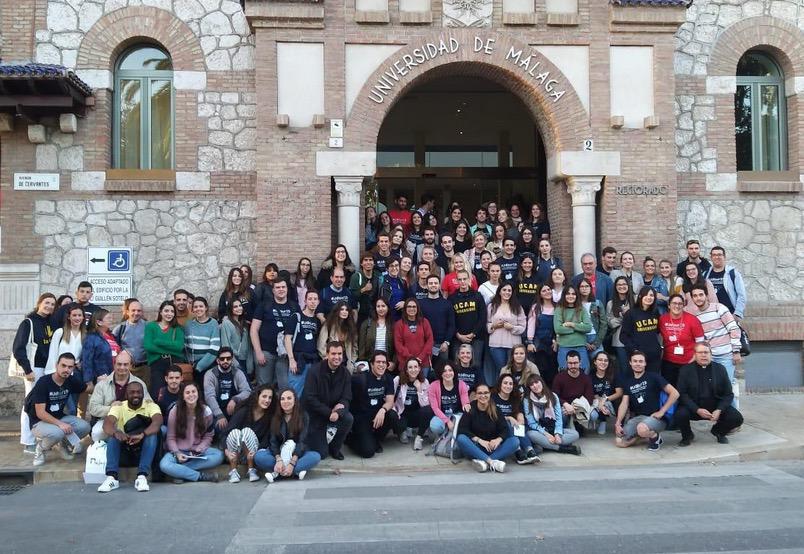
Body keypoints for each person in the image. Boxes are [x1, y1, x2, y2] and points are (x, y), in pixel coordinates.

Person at [97, 381, 162, 493]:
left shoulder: (151, 406)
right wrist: (117, 433)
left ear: (143, 394)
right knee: (113, 435)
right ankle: (112, 478)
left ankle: (141, 477)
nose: (136, 395)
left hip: (143, 450)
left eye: (138, 392)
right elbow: (107, 424)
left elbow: (157, 422)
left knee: (152, 435)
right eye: (132, 392)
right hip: (125, 448)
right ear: (126, 395)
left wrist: (142, 435)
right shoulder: (119, 407)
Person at [25, 353, 89, 466]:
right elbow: (40, 413)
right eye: (63, 365)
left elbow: (88, 388)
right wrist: (60, 424)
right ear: (56, 365)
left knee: (85, 427)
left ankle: (63, 445)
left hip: (59, 417)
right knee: (57, 432)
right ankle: (41, 448)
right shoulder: (43, 382)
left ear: (73, 368)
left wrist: (106, 382)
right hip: (38, 422)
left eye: (70, 367)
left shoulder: (71, 380)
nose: (66, 370)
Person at [675, 343, 744, 446]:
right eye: (700, 352)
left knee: (737, 418)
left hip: (715, 407)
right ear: (695, 355)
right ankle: (687, 435)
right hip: (694, 407)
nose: (703, 355)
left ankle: (718, 431)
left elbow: (728, 394)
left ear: (711, 354)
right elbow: (682, 394)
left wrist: (719, 409)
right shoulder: (685, 370)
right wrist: (697, 409)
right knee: (680, 414)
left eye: (706, 352)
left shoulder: (720, 369)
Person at [614, 351, 679, 451]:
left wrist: (662, 412)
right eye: (635, 361)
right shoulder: (628, 382)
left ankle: (654, 437)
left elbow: (675, 393)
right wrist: (618, 423)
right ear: (630, 363)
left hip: (657, 418)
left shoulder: (654, 377)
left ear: (645, 363)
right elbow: (624, 403)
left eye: (641, 361)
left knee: (642, 429)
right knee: (619, 440)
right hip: (639, 417)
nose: (638, 364)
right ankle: (645, 437)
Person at [159, 382, 224, 483]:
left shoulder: (206, 411)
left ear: (198, 394)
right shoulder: (175, 411)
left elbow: (209, 435)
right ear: (183, 396)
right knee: (164, 465)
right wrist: (177, 453)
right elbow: (170, 437)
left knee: (219, 455)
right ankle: (200, 476)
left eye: (193, 392)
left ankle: (180, 472)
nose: (191, 395)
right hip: (179, 450)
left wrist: (201, 448)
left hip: (196, 451)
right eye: (187, 393)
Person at [257, 388, 322, 482]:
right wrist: (278, 460)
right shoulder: (275, 417)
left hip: (297, 454)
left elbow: (302, 441)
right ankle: (294, 472)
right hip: (279, 454)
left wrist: (292, 463)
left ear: (295, 400)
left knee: (315, 456)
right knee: (259, 457)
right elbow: (273, 441)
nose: (285, 401)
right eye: (282, 399)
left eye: (289, 398)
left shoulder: (303, 416)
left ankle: (280, 472)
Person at [303, 342, 353, 460]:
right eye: (333, 354)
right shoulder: (314, 371)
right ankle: (320, 443)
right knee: (322, 454)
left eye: (340, 354)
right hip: (315, 415)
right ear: (327, 355)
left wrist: (339, 411)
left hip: (334, 412)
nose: (337, 357)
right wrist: (329, 412)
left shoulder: (345, 373)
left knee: (348, 418)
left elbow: (347, 397)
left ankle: (335, 448)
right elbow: (310, 398)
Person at [88, 350, 151, 441]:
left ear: (131, 365)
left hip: (132, 421)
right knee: (96, 432)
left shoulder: (139, 383)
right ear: (114, 364)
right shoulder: (102, 384)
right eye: (119, 364)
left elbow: (149, 404)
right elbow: (93, 408)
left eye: (125, 364)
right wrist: (110, 408)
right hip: (109, 420)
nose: (122, 367)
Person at [346, 351, 399, 458]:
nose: (381, 365)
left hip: (377, 416)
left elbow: (390, 401)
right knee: (368, 452)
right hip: (361, 418)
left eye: (384, 362)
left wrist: (382, 410)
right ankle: (349, 439)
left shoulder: (388, 378)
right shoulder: (360, 379)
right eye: (378, 362)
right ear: (372, 364)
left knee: (392, 415)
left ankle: (376, 439)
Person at [687, 284, 742, 386]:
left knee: (727, 386)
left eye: (701, 295)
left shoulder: (719, 308)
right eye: (695, 296)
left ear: (706, 296)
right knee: (711, 387)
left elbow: (733, 329)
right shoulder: (694, 315)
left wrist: (736, 351)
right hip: (709, 357)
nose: (698, 298)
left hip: (726, 356)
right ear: (692, 298)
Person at [456, 384, 520, 473]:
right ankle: (491, 462)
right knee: (461, 438)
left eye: (486, 393)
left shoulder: (496, 409)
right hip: (476, 448)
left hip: (493, 447)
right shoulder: (470, 408)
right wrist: (479, 440)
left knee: (515, 441)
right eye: (480, 393)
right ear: (476, 395)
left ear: (490, 394)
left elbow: (505, 429)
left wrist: (498, 440)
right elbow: (462, 429)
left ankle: (484, 462)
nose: (483, 396)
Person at [251, 279, 299, 388]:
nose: (281, 289)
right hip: (266, 352)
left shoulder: (294, 307)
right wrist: (258, 352)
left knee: (284, 386)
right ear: (273, 290)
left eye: (283, 287)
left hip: (285, 354)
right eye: (278, 287)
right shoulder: (264, 305)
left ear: (287, 289)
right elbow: (254, 330)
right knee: (264, 387)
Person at [224, 385, 274, 483]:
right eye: (264, 396)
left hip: (254, 452)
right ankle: (233, 470)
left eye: (270, 397)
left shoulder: (270, 415)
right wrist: (226, 451)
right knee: (237, 432)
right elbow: (225, 433)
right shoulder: (244, 411)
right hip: (235, 452)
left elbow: (267, 438)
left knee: (246, 431)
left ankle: (251, 470)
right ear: (257, 397)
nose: (267, 400)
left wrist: (257, 451)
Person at [522, 374, 581, 455]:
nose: (535, 386)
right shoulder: (527, 400)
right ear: (530, 388)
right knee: (530, 434)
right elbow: (531, 423)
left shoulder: (553, 396)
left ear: (541, 382)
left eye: (536, 382)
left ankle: (544, 445)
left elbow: (558, 418)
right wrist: (546, 434)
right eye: (531, 385)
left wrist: (557, 434)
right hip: (540, 431)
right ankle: (561, 448)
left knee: (575, 434)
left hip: (552, 428)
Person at [658, 294, 705, 387]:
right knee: (670, 391)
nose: (677, 306)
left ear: (683, 305)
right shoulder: (662, 319)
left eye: (680, 303)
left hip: (688, 362)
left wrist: (694, 359)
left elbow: (700, 342)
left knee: (686, 390)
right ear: (668, 305)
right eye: (674, 303)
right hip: (668, 362)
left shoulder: (692, 319)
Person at [493, 374, 541, 464]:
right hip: (497, 427)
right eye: (505, 383)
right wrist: (509, 418)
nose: (508, 386)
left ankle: (529, 451)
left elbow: (519, 412)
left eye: (510, 384)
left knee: (517, 426)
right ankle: (518, 451)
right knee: (508, 424)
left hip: (513, 427)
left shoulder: (515, 398)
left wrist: (520, 420)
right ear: (500, 384)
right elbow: (491, 416)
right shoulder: (493, 397)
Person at [81, 309, 121, 416]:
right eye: (108, 318)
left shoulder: (110, 335)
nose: (111, 320)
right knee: (100, 407)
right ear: (99, 322)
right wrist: (88, 381)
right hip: (100, 377)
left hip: (112, 376)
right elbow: (87, 360)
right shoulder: (92, 338)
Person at [204, 347, 252, 435]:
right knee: (218, 428)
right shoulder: (210, 374)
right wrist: (219, 415)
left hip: (234, 410)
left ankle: (229, 434)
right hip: (217, 411)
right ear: (217, 360)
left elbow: (247, 391)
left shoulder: (238, 372)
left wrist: (235, 399)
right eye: (222, 359)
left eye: (228, 358)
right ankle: (228, 434)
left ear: (232, 359)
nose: (225, 361)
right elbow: (209, 397)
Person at [143, 300, 186, 398]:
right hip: (157, 363)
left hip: (174, 363)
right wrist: (171, 349)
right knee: (157, 392)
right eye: (166, 311)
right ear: (160, 312)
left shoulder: (177, 328)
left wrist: (159, 342)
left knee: (175, 391)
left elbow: (179, 347)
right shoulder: (151, 326)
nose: (169, 314)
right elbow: (148, 346)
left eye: (172, 311)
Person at [285, 290, 322, 397]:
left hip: (313, 361)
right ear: (305, 301)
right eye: (310, 299)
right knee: (295, 393)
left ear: (318, 302)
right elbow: (287, 338)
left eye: (315, 299)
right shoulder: (296, 317)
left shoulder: (317, 321)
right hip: (298, 360)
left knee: (311, 394)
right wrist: (291, 359)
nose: (312, 302)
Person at [486, 282, 526, 377]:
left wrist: (512, 327)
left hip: (513, 345)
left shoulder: (517, 307)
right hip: (496, 344)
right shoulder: (491, 306)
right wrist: (494, 326)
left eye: (509, 290)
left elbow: (523, 327)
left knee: (512, 370)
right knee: (501, 370)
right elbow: (486, 324)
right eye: (504, 290)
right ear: (499, 292)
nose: (507, 292)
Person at [393, 358, 433, 451]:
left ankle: (419, 437)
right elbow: (390, 398)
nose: (413, 370)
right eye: (410, 367)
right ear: (406, 369)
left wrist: (419, 389)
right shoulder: (398, 380)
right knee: (392, 416)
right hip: (402, 413)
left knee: (428, 410)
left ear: (419, 369)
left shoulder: (425, 381)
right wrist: (396, 412)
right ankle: (402, 431)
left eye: (416, 367)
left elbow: (426, 404)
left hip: (416, 413)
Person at [620, 286, 662, 374]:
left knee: (653, 382)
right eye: (646, 295)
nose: (649, 297)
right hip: (638, 356)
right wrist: (634, 350)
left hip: (654, 356)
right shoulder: (631, 313)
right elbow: (623, 336)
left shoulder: (655, 312)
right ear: (640, 296)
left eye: (651, 295)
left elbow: (658, 331)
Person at [551, 351, 594, 433]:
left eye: (575, 363)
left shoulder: (586, 378)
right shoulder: (559, 377)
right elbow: (554, 396)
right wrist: (565, 404)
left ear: (580, 363)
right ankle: (562, 432)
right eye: (570, 363)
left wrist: (574, 407)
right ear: (566, 363)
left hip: (580, 406)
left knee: (594, 415)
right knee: (562, 414)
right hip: (565, 406)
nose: (573, 366)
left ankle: (580, 427)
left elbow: (589, 398)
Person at [450, 270, 487, 364]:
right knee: (457, 365)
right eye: (460, 279)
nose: (462, 281)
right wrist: (458, 335)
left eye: (464, 279)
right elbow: (450, 320)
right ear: (456, 281)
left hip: (476, 337)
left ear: (469, 279)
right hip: (458, 338)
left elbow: (483, 317)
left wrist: (473, 333)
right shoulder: (452, 298)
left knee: (476, 365)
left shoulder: (477, 296)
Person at [420, 275, 455, 369]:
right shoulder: (420, 304)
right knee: (425, 372)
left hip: (442, 345)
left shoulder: (447, 303)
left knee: (443, 371)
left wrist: (447, 342)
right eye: (430, 283)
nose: (433, 285)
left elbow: (451, 325)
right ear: (427, 286)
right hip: (425, 344)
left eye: (435, 283)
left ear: (439, 285)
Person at [553, 285, 592, 372]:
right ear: (564, 295)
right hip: (564, 347)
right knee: (564, 374)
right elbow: (558, 329)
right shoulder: (559, 309)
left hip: (580, 346)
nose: (571, 296)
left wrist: (572, 324)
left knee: (584, 372)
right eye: (568, 294)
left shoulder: (581, 309)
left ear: (577, 296)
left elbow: (588, 327)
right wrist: (578, 328)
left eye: (573, 294)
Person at [702, 246, 747, 321]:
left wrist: (737, 314)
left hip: (729, 314)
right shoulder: (705, 274)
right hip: (711, 315)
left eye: (719, 255)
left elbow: (741, 295)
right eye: (714, 255)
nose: (717, 257)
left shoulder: (733, 273)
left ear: (724, 257)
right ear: (711, 257)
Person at [111, 299, 149, 387]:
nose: (136, 313)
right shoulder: (120, 328)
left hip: (145, 368)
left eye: (139, 311)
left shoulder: (148, 327)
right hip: (127, 369)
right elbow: (114, 349)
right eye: (133, 310)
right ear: (127, 312)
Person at [427, 362, 471, 436]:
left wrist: (466, 405)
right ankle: (440, 435)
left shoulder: (462, 384)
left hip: (457, 415)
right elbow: (435, 408)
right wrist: (447, 421)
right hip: (441, 415)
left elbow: (465, 401)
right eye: (444, 371)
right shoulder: (433, 386)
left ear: (454, 372)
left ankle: (448, 436)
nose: (448, 373)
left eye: (450, 370)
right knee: (435, 426)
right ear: (440, 373)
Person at [526, 284, 558, 386]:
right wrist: (530, 342)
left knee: (553, 370)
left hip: (554, 343)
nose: (547, 292)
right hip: (539, 343)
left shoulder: (558, 306)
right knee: (541, 369)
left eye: (549, 289)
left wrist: (557, 340)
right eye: (544, 291)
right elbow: (531, 325)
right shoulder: (536, 307)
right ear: (540, 294)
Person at [185, 297, 221, 382]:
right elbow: (185, 346)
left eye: (201, 306)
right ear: (193, 309)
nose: (198, 309)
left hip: (207, 365)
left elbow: (214, 348)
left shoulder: (213, 323)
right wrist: (189, 364)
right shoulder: (189, 324)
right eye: (196, 307)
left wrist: (199, 366)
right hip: (191, 367)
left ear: (206, 308)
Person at [394, 299, 434, 375]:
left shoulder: (424, 322)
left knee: (422, 385)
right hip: (405, 363)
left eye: (414, 306)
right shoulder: (399, 324)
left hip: (423, 362)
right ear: (405, 308)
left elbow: (430, 340)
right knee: (407, 386)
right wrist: (410, 358)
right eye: (409, 306)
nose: (411, 309)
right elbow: (398, 344)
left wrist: (420, 357)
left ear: (417, 308)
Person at [318, 301, 359, 372]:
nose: (344, 312)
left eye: (346, 310)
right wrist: (327, 357)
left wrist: (352, 361)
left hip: (346, 361)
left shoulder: (351, 327)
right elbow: (321, 344)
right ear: (337, 311)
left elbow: (354, 346)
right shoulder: (329, 324)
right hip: (331, 360)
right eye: (342, 309)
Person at [46, 302, 83, 375]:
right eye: (74, 315)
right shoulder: (60, 332)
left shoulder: (85, 335)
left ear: (83, 317)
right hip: (59, 372)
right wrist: (52, 372)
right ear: (69, 317)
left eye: (79, 315)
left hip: (76, 374)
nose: (77, 318)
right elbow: (52, 354)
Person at [588, 352, 621, 434]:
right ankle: (601, 420)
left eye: (606, 360)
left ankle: (619, 424)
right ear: (595, 362)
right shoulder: (590, 376)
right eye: (600, 360)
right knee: (595, 414)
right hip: (595, 402)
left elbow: (619, 393)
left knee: (620, 401)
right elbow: (590, 393)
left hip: (610, 401)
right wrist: (600, 402)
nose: (603, 362)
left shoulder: (614, 374)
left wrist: (605, 400)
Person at [607, 276, 634, 373]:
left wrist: (629, 314)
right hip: (619, 340)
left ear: (628, 286)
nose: (621, 286)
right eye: (619, 284)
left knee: (635, 366)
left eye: (624, 284)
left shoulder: (635, 300)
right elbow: (610, 322)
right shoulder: (610, 303)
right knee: (624, 367)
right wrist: (623, 316)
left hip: (635, 338)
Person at [578, 278, 608, 362]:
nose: (584, 288)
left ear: (591, 288)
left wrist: (596, 343)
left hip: (595, 337)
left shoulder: (597, 303)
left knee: (600, 362)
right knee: (583, 366)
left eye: (587, 286)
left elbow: (604, 324)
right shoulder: (575, 305)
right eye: (582, 286)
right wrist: (584, 343)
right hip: (580, 338)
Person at [220, 299, 252, 375]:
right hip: (234, 359)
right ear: (230, 309)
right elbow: (225, 343)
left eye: (240, 306)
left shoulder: (243, 323)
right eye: (235, 307)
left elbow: (247, 344)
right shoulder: (226, 323)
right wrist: (232, 360)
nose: (239, 308)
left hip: (244, 359)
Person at [349, 252, 380, 327]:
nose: (368, 262)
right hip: (361, 314)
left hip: (376, 312)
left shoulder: (378, 276)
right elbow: (352, 297)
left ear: (374, 263)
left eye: (370, 260)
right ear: (361, 263)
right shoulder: (356, 277)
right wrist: (363, 289)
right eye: (366, 260)